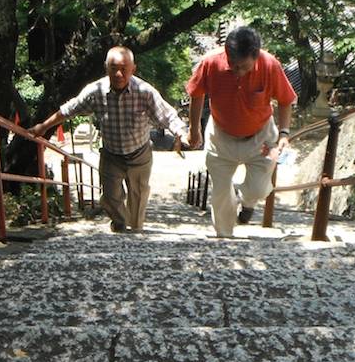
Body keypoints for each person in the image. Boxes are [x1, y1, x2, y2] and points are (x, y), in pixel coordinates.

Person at [30, 46, 188, 233]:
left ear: (133, 69)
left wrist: (182, 133)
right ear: (106, 68)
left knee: (138, 197)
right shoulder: (95, 91)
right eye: (113, 68)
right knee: (110, 197)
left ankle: (136, 233)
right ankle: (120, 224)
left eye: (124, 68)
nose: (119, 74)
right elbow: (67, 110)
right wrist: (43, 127)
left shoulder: (144, 91)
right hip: (111, 154)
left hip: (139, 153)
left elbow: (168, 115)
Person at [186, 26, 297, 238]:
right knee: (220, 194)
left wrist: (284, 133)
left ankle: (247, 201)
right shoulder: (211, 62)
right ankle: (224, 239)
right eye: (233, 65)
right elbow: (196, 93)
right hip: (219, 135)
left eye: (244, 67)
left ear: (256, 56)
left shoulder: (270, 65)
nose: (237, 71)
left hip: (263, 135)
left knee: (260, 188)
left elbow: (286, 100)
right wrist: (194, 129)